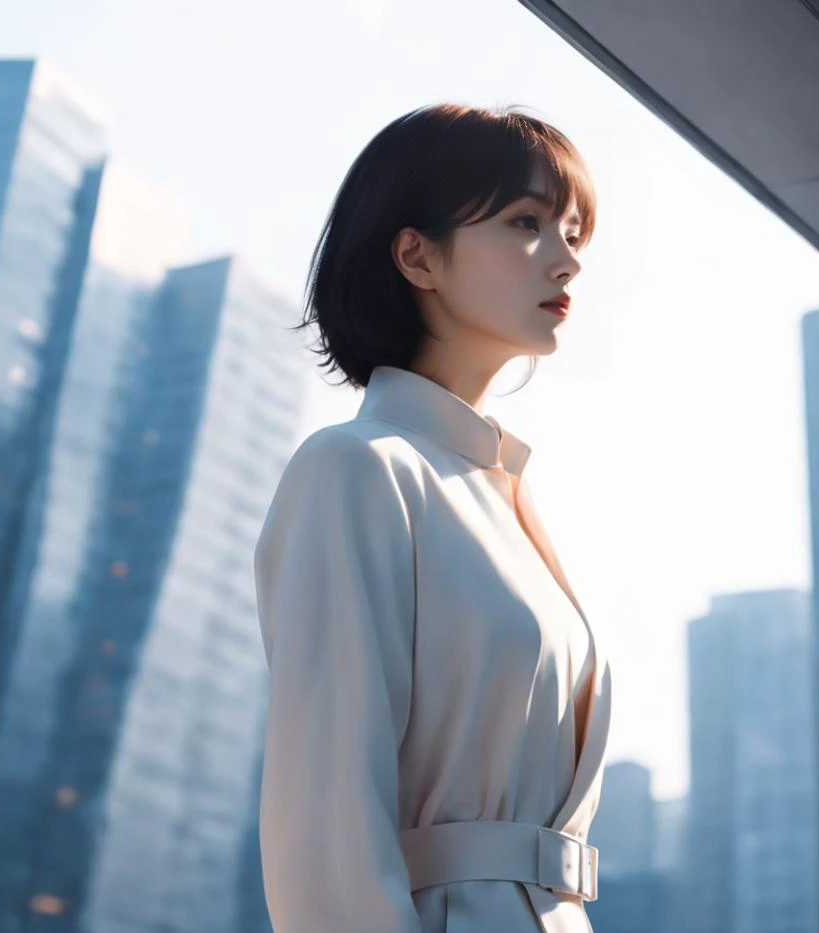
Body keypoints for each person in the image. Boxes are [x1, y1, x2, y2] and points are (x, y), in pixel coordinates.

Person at [252, 102, 613, 933]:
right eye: (528, 222)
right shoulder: (356, 469)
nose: (567, 259)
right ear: (417, 254)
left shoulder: (509, 497)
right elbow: (324, 833)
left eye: (573, 230)